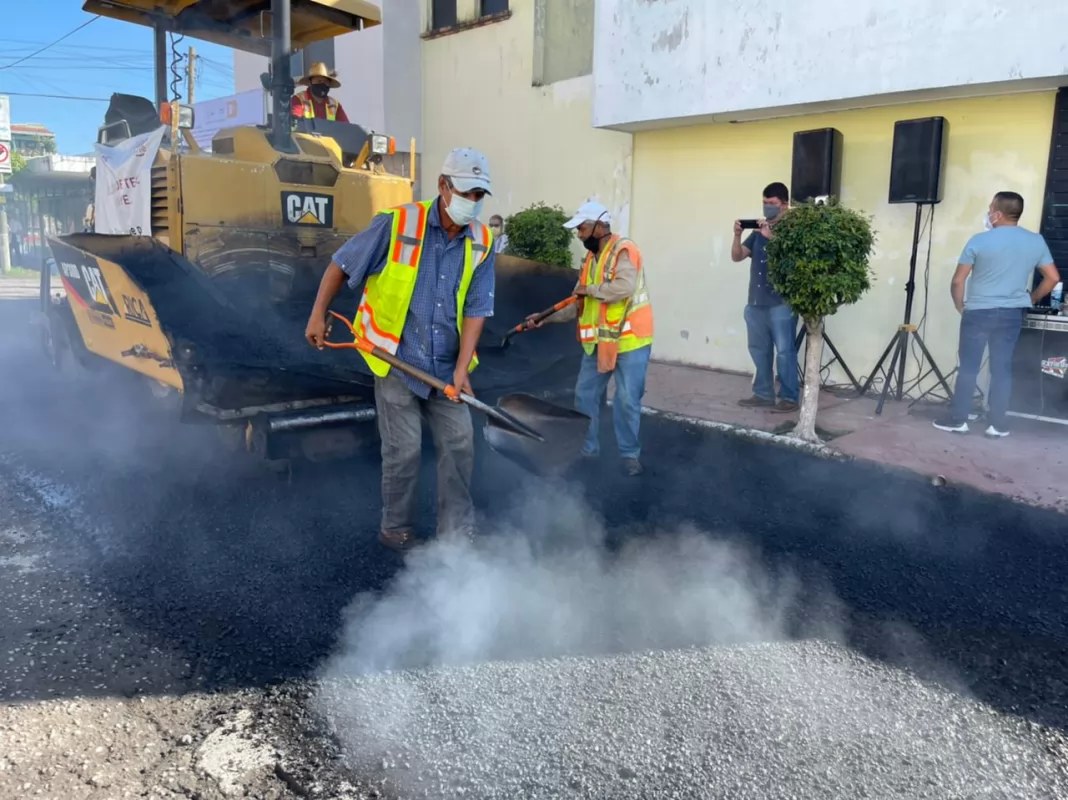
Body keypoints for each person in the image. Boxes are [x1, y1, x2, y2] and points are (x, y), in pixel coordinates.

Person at [304, 148, 495, 551]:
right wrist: (318, 314)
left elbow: (477, 308)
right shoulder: (399, 223)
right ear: (444, 186)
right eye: (467, 193)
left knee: (460, 444)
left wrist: (462, 370)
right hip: (395, 359)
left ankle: (455, 536)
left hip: (445, 367)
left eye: (479, 195)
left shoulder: (481, 240)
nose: (472, 203)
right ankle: (396, 530)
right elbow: (341, 264)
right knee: (403, 451)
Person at [526, 199, 654, 477]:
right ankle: (588, 450)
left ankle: (629, 455)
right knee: (585, 395)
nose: (579, 234)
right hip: (599, 343)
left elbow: (624, 287)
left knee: (627, 401)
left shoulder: (624, 249)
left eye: (582, 229)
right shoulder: (589, 261)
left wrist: (590, 289)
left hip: (631, 342)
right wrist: (543, 318)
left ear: (598, 226)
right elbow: (577, 303)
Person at [933, 191, 1059, 438]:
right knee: (1002, 369)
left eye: (990, 208)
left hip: (978, 313)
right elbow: (1053, 278)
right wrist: (1030, 298)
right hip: (1012, 314)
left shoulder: (979, 241)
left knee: (969, 368)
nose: (988, 212)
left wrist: (960, 305)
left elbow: (958, 280)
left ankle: (959, 420)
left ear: (998, 214)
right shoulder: (1035, 241)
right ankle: (997, 425)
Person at [730, 182, 800, 413]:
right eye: (764, 203)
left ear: (785, 205)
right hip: (756, 302)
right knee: (758, 349)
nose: (767, 207)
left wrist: (772, 239)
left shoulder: (793, 231)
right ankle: (763, 393)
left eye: (772, 203)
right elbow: (737, 257)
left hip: (781, 302)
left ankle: (789, 397)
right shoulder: (758, 231)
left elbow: (794, 264)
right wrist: (737, 236)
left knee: (784, 351)